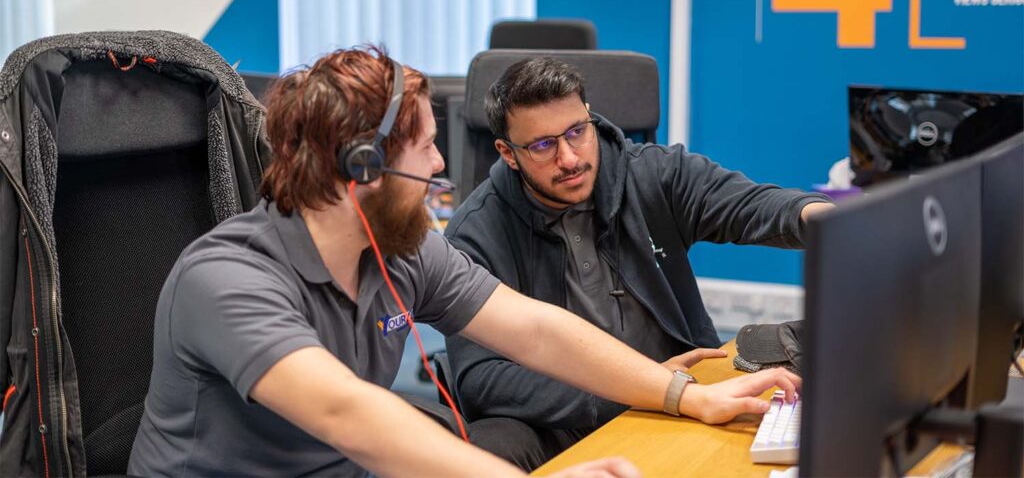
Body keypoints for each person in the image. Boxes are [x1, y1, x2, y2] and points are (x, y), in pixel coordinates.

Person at [127, 47, 799, 478]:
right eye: (425, 148)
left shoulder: (400, 249)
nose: (443, 165)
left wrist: (689, 396)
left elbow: (534, 330)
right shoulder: (225, 280)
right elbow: (346, 414)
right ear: (365, 169)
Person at [444, 57, 832, 467]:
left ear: (590, 118)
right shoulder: (475, 232)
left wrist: (821, 218)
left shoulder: (651, 173)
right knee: (488, 446)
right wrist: (635, 387)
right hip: (559, 420)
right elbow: (481, 379)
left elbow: (750, 206)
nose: (570, 158)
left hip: (684, 394)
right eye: (543, 145)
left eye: (577, 132)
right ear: (507, 152)